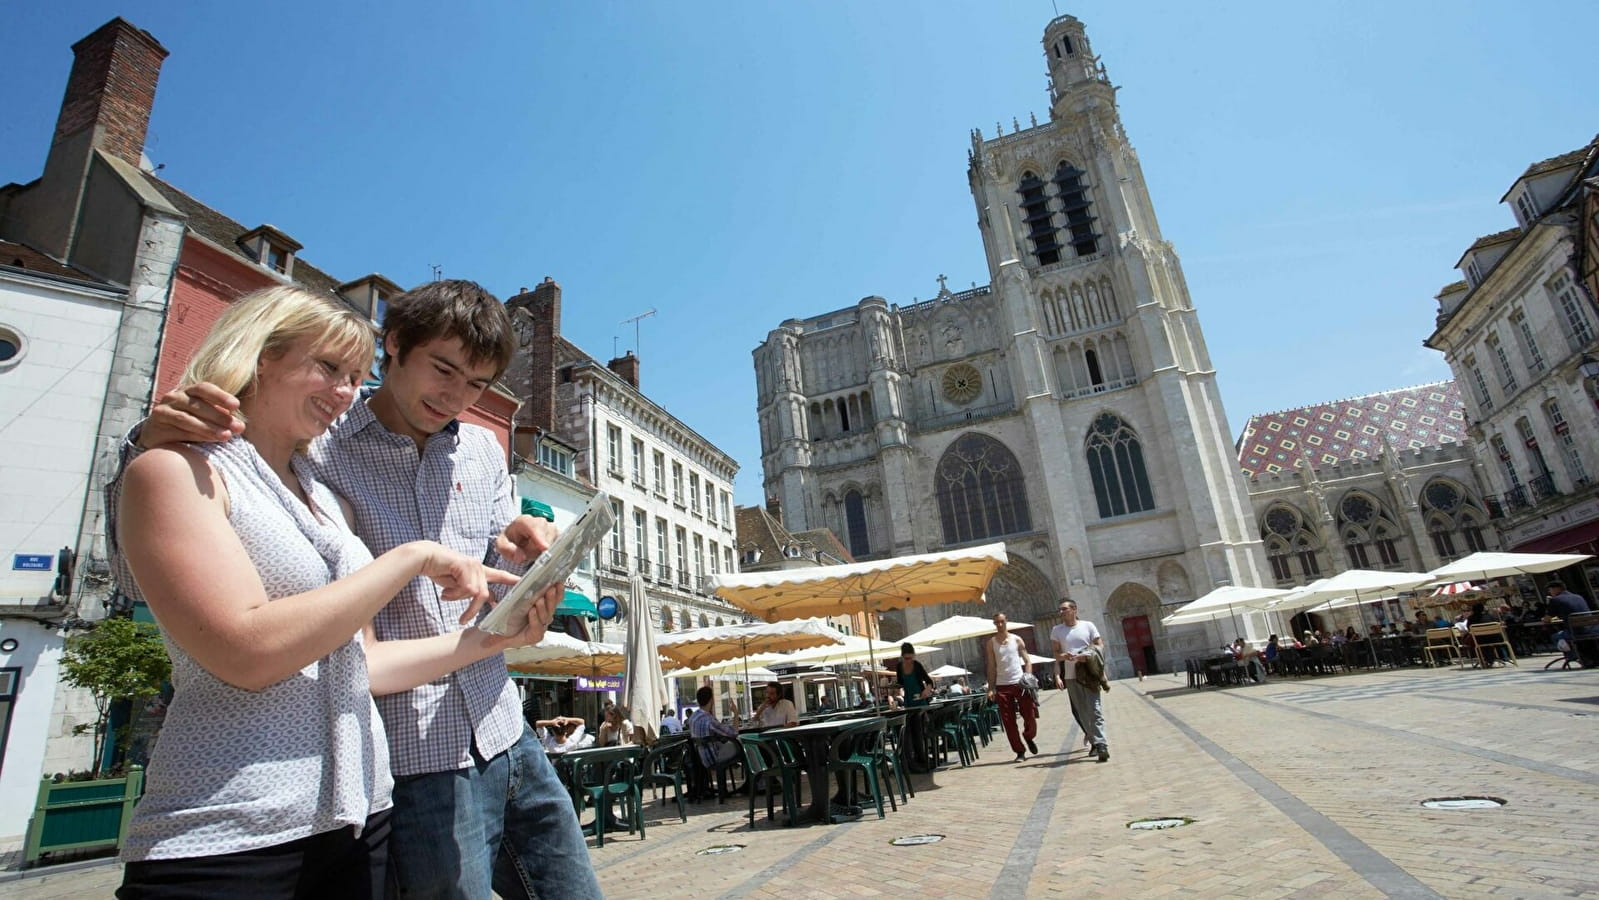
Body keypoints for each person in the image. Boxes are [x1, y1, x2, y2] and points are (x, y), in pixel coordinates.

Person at [132, 280, 602, 900]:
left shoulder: (483, 452)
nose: (456, 397)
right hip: (404, 752)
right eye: (444, 370)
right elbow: (205, 488)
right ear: (396, 346)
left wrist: (519, 540)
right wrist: (147, 439)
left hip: (501, 724)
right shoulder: (315, 440)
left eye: (477, 385)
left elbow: (485, 561)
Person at [1051, 600, 1109, 762]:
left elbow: (1100, 645)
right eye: (1059, 610)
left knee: (1095, 709)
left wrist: (1087, 656)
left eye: (1064, 609)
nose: (1061, 612)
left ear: (1074, 609)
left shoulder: (1088, 626)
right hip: (1071, 676)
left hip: (1089, 673)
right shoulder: (1057, 630)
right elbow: (1056, 654)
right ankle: (1094, 742)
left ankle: (1101, 744)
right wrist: (1064, 656)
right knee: (1083, 713)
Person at [986, 613, 1038, 762]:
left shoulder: (1017, 639)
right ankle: (1019, 751)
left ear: (1006, 621)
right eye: (997, 622)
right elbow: (991, 666)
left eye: (1002, 621)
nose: (1000, 625)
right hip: (1002, 685)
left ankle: (1029, 736)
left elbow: (1027, 661)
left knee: (1030, 716)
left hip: (1019, 683)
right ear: (994, 624)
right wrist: (991, 687)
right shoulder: (991, 643)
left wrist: (1027, 677)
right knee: (1008, 721)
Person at [1545, 580, 1598, 666]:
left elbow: (1547, 619)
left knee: (1555, 636)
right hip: (1593, 629)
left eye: (1550, 590)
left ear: (1556, 589)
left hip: (1575, 632)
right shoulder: (1578, 597)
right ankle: (1586, 657)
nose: (1550, 592)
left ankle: (1572, 657)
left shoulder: (1556, 600)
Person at [894, 642, 936, 708]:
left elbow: (929, 682)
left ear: (913, 655)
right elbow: (900, 683)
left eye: (911, 658)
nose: (909, 661)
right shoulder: (899, 667)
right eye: (906, 658)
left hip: (921, 700)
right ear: (902, 656)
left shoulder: (917, 665)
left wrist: (926, 691)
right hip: (908, 701)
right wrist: (894, 688)